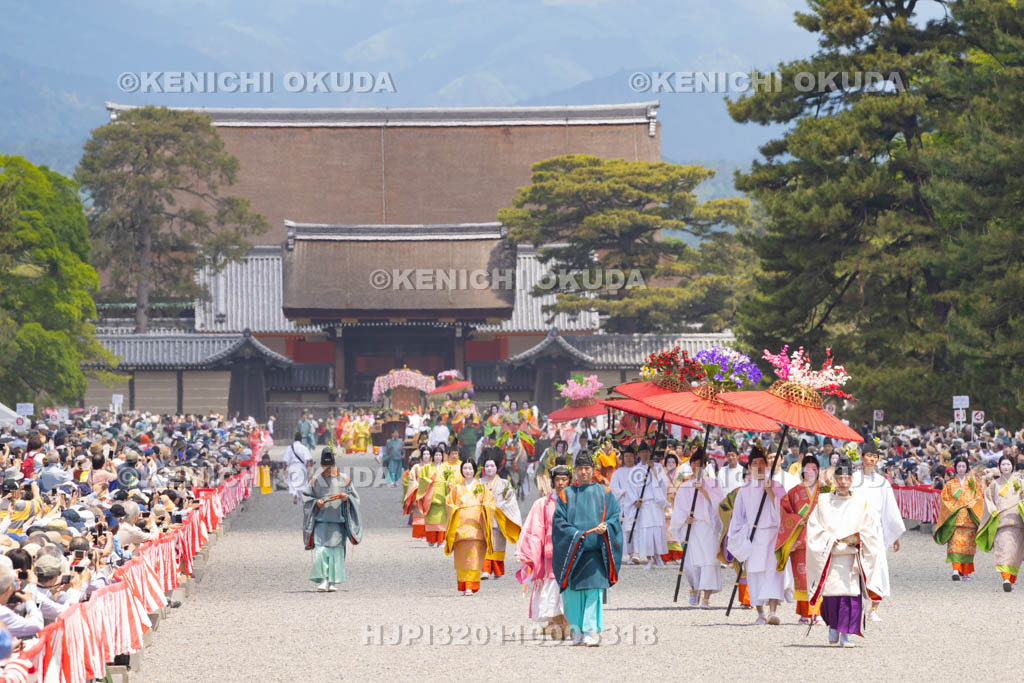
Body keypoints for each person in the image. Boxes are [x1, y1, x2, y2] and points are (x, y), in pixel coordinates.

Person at [806, 456, 884, 647]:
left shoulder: (860, 502)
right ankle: (833, 626)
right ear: (835, 479)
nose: (843, 482)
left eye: (847, 479)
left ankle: (845, 635)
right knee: (832, 597)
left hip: (851, 557)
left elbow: (870, 529)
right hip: (831, 555)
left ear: (852, 480)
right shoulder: (824, 501)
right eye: (839, 478)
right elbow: (813, 528)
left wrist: (859, 539)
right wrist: (831, 540)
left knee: (851, 598)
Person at [552, 451, 623, 647]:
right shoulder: (566, 494)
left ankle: (590, 631)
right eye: (580, 469)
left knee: (594, 591)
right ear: (575, 471)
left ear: (593, 470)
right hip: (574, 550)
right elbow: (559, 523)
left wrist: (607, 526)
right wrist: (575, 535)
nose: (584, 472)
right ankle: (576, 631)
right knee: (572, 593)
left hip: (596, 551)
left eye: (587, 468)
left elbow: (615, 516)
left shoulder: (604, 492)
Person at [726, 447, 788, 625]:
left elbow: (784, 511)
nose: (759, 466)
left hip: (772, 534)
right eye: (755, 463)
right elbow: (737, 516)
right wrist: (740, 536)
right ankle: (760, 612)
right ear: (750, 467)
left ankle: (773, 611)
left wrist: (770, 492)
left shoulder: (777, 486)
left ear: (767, 465)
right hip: (752, 535)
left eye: (762, 463)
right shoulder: (744, 490)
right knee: (754, 573)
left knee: (773, 572)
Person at [516, 464, 571, 639]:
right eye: (558, 480)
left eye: (564, 479)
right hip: (551, 555)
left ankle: (568, 621)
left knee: (568, 587)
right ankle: (555, 621)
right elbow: (534, 529)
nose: (561, 483)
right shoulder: (542, 504)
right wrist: (530, 553)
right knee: (552, 587)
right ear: (552, 482)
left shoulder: (575, 502)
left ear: (569, 481)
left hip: (570, 553)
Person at [851, 448, 905, 621]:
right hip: (855, 528)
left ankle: (873, 608)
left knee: (878, 567)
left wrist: (894, 534)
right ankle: (854, 604)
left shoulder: (882, 482)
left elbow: (890, 509)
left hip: (875, 530)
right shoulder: (853, 479)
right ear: (862, 457)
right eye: (869, 455)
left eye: (875, 457)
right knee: (854, 566)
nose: (871, 459)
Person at [302, 448, 362, 592]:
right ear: (322, 465)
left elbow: (356, 499)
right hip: (321, 521)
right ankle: (323, 580)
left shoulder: (344, 479)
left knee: (336, 552)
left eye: (331, 465)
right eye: (325, 466)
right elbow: (306, 498)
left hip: (338, 522)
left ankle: (333, 581)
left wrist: (347, 498)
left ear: (334, 463)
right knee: (320, 551)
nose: (328, 469)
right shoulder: (315, 480)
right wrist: (316, 502)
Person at [671, 449, 724, 608]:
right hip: (691, 528)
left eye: (700, 464)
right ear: (691, 465)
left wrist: (704, 490)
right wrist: (683, 518)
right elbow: (678, 508)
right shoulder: (685, 485)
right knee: (691, 565)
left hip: (708, 527)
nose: (697, 466)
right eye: (694, 464)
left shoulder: (713, 483)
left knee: (709, 562)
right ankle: (694, 588)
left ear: (706, 466)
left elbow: (719, 505)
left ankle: (706, 598)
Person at [775, 454, 823, 624]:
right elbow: (784, 511)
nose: (811, 471)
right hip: (799, 538)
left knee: (818, 576)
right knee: (801, 577)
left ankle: (817, 613)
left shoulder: (823, 491)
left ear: (818, 471)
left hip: (819, 539)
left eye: (814, 468)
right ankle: (804, 613)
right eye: (807, 468)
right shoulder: (794, 492)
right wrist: (796, 520)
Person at [444, 460, 500, 595]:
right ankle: (464, 585)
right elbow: (449, 504)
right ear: (461, 470)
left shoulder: (481, 487)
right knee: (462, 558)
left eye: (470, 468)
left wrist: (484, 507)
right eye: (465, 468)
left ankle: (470, 586)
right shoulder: (457, 489)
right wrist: (456, 509)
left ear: (475, 470)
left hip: (476, 528)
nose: (468, 471)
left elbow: (490, 503)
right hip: (460, 528)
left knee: (474, 558)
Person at [977, 455, 1024, 591]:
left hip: (1017, 522)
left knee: (1015, 555)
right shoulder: (994, 485)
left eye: (1008, 464)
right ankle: (1006, 579)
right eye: (1003, 464)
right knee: (1003, 552)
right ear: (999, 467)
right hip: (1001, 523)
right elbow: (988, 501)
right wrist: (993, 510)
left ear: (1013, 466)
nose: (1006, 467)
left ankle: (1011, 580)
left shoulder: (1020, 482)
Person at [934, 456, 985, 581]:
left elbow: (979, 498)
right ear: (955, 468)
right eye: (959, 466)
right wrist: (955, 508)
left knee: (968, 546)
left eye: (963, 466)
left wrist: (971, 505)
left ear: (967, 467)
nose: (961, 469)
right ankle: (956, 570)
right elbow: (945, 499)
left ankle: (966, 572)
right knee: (955, 545)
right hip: (955, 519)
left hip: (969, 519)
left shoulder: (973, 483)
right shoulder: (950, 485)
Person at [479, 455, 522, 579]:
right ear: (484, 468)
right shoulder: (479, 483)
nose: (489, 468)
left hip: (499, 518)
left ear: (497, 468)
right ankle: (485, 570)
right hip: (484, 517)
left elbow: (510, 501)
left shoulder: (505, 483)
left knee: (498, 544)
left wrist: (498, 506)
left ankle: (498, 572)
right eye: (487, 466)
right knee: (485, 544)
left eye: (492, 466)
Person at [628, 442, 669, 570]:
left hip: (656, 504)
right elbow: (630, 488)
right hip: (644, 504)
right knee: (646, 530)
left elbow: (664, 483)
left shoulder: (658, 467)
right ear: (639, 454)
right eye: (642, 452)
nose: (645, 454)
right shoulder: (635, 470)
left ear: (650, 453)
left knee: (657, 529)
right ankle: (649, 558)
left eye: (647, 452)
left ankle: (658, 555)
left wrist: (654, 470)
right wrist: (635, 500)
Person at [417, 448, 451, 548]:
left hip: (442, 496)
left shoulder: (446, 468)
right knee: (431, 520)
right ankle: (431, 540)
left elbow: (451, 478)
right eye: (436, 455)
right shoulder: (427, 468)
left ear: (442, 456)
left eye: (440, 455)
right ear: (433, 456)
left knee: (441, 520)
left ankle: (441, 540)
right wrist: (429, 481)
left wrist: (449, 483)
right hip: (430, 497)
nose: (438, 457)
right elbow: (422, 479)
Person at [403, 448, 431, 540]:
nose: (426, 456)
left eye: (428, 454)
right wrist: (416, 486)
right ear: (421, 456)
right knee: (420, 514)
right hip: (419, 492)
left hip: (431, 493)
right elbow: (411, 479)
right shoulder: (416, 467)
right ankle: (421, 534)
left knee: (430, 514)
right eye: (424, 454)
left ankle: (430, 534)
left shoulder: (434, 467)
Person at [283, 432, 312, 505]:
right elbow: (308, 460)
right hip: (301, 467)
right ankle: (301, 497)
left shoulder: (289, 447)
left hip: (292, 467)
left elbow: (285, 461)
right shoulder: (304, 448)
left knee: (292, 482)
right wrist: (309, 470)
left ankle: (294, 494)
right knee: (302, 483)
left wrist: (284, 469)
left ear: (294, 439)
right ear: (301, 440)